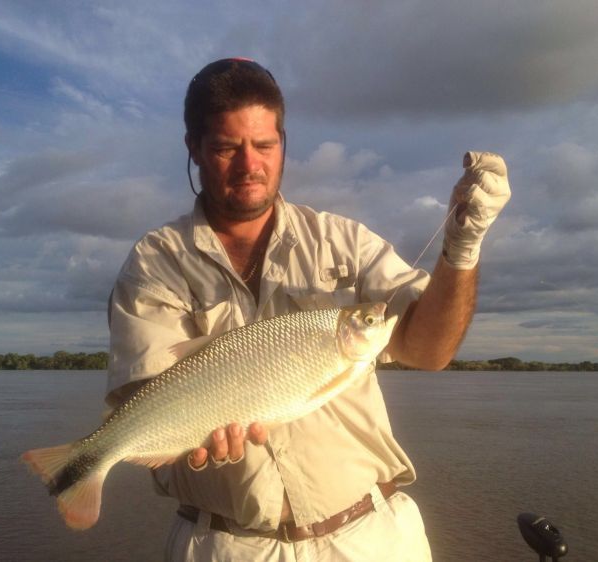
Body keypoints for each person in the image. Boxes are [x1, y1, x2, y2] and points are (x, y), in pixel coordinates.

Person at [106, 58, 510, 561]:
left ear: (284, 144)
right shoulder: (155, 261)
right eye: (227, 147)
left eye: (265, 146)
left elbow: (429, 351)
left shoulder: (343, 241)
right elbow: (148, 400)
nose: (249, 164)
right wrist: (193, 442)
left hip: (368, 537)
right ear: (194, 148)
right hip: (226, 544)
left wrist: (461, 249)